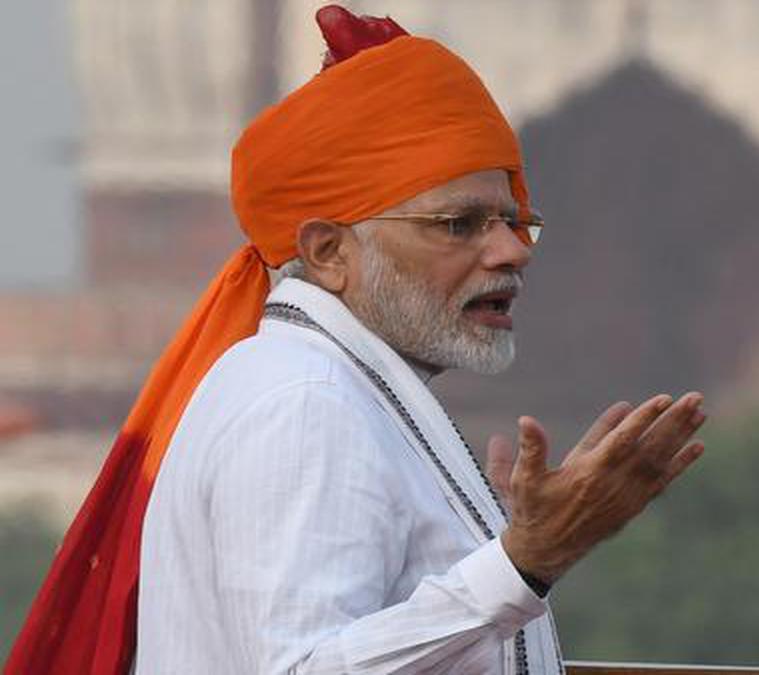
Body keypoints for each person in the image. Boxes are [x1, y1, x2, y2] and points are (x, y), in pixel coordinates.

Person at [5, 6, 705, 675]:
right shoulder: (304, 404)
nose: (511, 251)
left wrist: (511, 555)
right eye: (460, 224)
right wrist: (524, 561)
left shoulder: (339, 390)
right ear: (330, 250)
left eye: (514, 220)